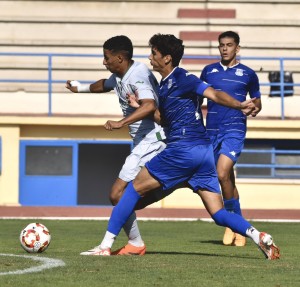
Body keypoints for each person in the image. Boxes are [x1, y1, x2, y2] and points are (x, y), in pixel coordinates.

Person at [80, 33, 280, 260]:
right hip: (203, 154)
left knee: (132, 189)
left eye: (154, 53)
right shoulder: (164, 87)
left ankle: (105, 246)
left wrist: (238, 105)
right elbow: (164, 120)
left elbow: (213, 93)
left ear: (166, 58)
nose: (150, 57)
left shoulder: (184, 77)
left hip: (182, 149)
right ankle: (258, 235)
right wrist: (137, 105)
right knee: (218, 213)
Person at [66, 35, 167, 255]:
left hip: (152, 140)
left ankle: (115, 245)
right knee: (121, 198)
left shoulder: (138, 75)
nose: (104, 62)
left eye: (106, 58)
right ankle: (135, 244)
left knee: (117, 194)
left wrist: (122, 122)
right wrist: (80, 88)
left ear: (120, 58)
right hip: (142, 142)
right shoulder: (120, 75)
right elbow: (104, 84)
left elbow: (149, 106)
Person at [200, 31, 262, 247]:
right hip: (212, 131)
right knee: (227, 180)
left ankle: (234, 225)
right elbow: (198, 99)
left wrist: (254, 108)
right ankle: (237, 222)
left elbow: (257, 102)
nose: (224, 48)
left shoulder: (248, 74)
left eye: (229, 45)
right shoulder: (208, 71)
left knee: (222, 172)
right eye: (221, 45)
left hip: (234, 129)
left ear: (237, 48)